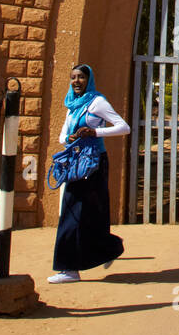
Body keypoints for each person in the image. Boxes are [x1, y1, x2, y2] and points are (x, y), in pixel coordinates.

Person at [48, 64, 129, 283]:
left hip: (94, 164)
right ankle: (109, 248)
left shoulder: (97, 102)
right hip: (75, 163)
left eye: (81, 77)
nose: (76, 81)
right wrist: (70, 138)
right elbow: (62, 136)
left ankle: (69, 269)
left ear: (89, 79)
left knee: (78, 211)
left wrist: (95, 132)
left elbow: (123, 127)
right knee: (82, 212)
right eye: (73, 77)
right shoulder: (71, 105)